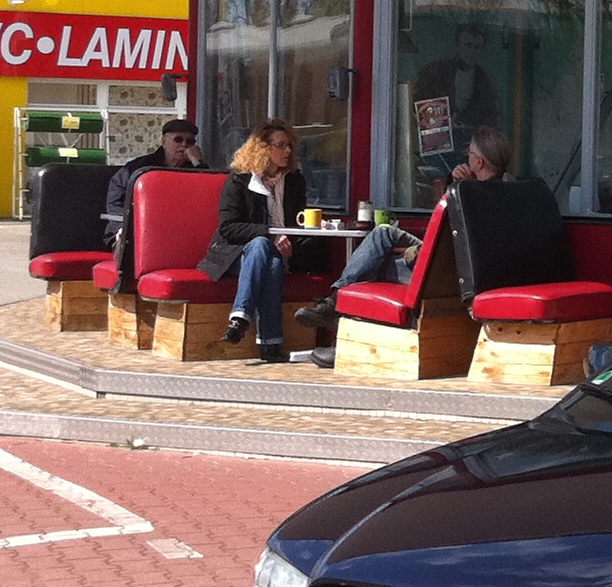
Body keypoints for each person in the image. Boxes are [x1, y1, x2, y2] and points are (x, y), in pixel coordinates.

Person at [294, 127, 515, 346]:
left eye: (471, 154)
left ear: (480, 163)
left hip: (446, 272)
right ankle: (334, 305)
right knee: (383, 233)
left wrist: (413, 252)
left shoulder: (471, 198)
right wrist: (455, 182)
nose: (467, 158)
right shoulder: (508, 190)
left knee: (373, 265)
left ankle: (339, 320)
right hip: (458, 264)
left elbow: (451, 240)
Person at [199, 120, 315, 363]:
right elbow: (228, 227)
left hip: (278, 255)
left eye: (290, 145)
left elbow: (297, 223)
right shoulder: (240, 180)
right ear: (262, 149)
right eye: (280, 145)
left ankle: (245, 323)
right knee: (262, 246)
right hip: (234, 254)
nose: (288, 151)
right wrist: (270, 233)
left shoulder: (294, 180)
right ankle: (265, 339)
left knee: (272, 263)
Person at [103, 117, 204, 257]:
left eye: (190, 141)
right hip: (134, 232)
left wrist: (197, 162)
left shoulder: (197, 170)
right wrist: (121, 228)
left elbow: (207, 195)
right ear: (164, 142)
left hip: (178, 234)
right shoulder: (139, 168)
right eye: (178, 140)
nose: (184, 145)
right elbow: (116, 202)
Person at [410, 22, 501, 161]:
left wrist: (478, 141)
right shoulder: (435, 72)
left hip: (469, 148)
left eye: (477, 48)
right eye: (468, 45)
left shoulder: (485, 82)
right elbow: (418, 107)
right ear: (458, 46)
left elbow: (492, 119)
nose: (472, 52)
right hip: (436, 146)